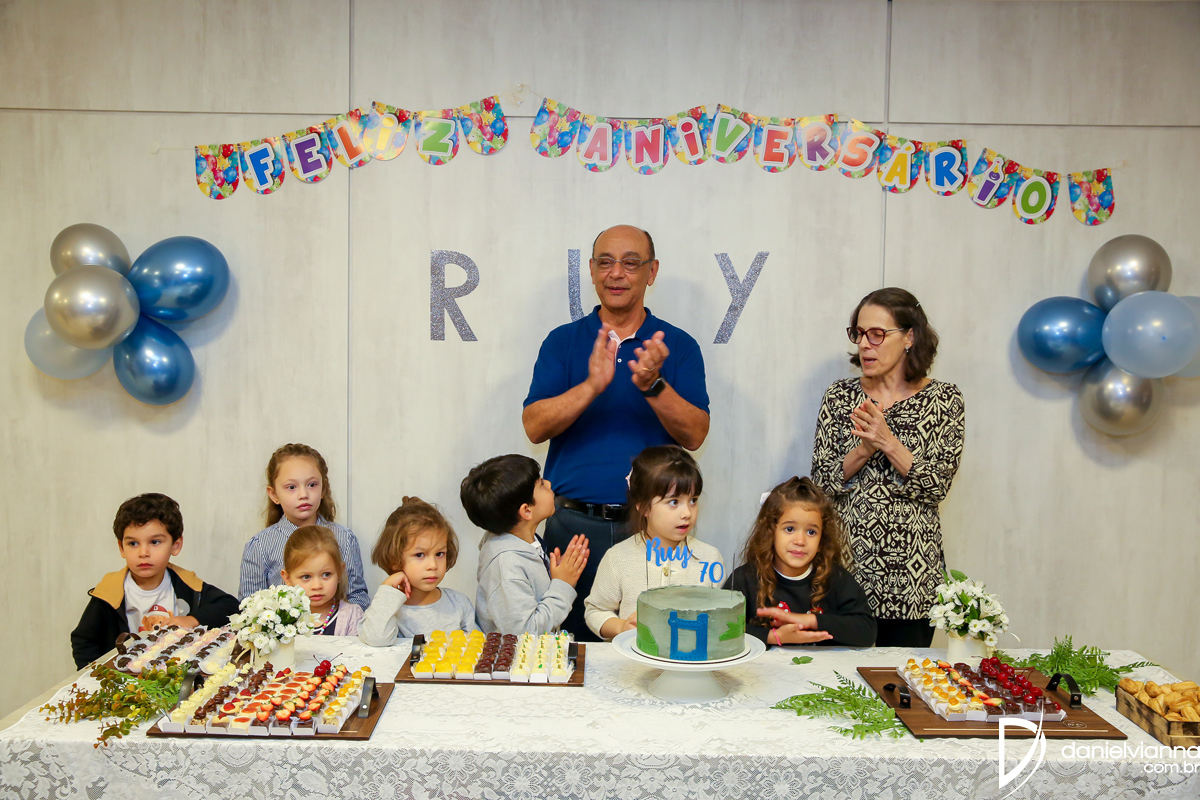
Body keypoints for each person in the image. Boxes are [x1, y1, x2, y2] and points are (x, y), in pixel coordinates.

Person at [522, 224, 711, 640]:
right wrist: (591, 386)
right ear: (592, 270)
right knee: (568, 646)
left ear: (651, 271)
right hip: (572, 527)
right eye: (605, 262)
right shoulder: (563, 341)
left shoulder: (677, 346)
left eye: (630, 263)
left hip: (650, 530)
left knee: (652, 643)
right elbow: (534, 427)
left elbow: (696, 434)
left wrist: (653, 385)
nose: (616, 273)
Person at [810, 288, 965, 647]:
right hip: (845, 571)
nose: (865, 344)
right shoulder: (840, 396)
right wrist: (864, 450)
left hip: (911, 578)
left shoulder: (945, 400)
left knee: (904, 679)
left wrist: (888, 442)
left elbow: (937, 486)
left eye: (877, 334)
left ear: (909, 337)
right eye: (859, 333)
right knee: (835, 677)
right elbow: (820, 484)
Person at [70, 493, 239, 668]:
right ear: (121, 547)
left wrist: (192, 619)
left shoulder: (188, 585)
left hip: (177, 674)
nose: (143, 553)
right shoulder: (109, 593)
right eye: (133, 544)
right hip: (127, 678)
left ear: (175, 545)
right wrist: (101, 674)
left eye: (155, 542)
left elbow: (230, 606)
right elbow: (83, 641)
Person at [584, 445, 723, 641]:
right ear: (643, 507)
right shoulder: (618, 558)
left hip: (690, 657)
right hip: (633, 658)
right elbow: (596, 610)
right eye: (674, 502)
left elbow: (720, 618)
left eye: (693, 500)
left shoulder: (709, 557)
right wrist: (620, 627)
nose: (687, 513)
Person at [723, 477, 876, 647]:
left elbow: (867, 631)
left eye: (811, 532)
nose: (800, 541)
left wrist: (811, 621)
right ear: (770, 532)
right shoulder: (744, 579)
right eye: (790, 529)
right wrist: (774, 637)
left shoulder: (836, 577)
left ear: (821, 541)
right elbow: (720, 628)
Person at [461, 454, 589, 634]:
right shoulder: (506, 566)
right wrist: (562, 585)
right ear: (526, 510)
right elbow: (526, 633)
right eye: (541, 484)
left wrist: (554, 577)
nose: (549, 484)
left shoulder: (524, 542)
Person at [239, 443, 369, 610]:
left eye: (312, 485)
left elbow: (357, 596)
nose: (303, 495)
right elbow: (249, 607)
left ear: (323, 488)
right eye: (291, 487)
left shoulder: (344, 539)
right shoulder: (259, 546)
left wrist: (343, 621)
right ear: (274, 494)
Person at [359, 497, 476, 644]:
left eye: (439, 554)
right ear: (394, 559)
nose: (433, 565)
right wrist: (387, 589)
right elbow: (376, 639)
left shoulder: (459, 604)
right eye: (420, 555)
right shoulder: (388, 610)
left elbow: (479, 648)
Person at [281, 525, 363, 636]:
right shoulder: (278, 618)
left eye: (326, 574)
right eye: (306, 577)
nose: (317, 586)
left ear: (340, 572)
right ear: (287, 578)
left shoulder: (352, 617)